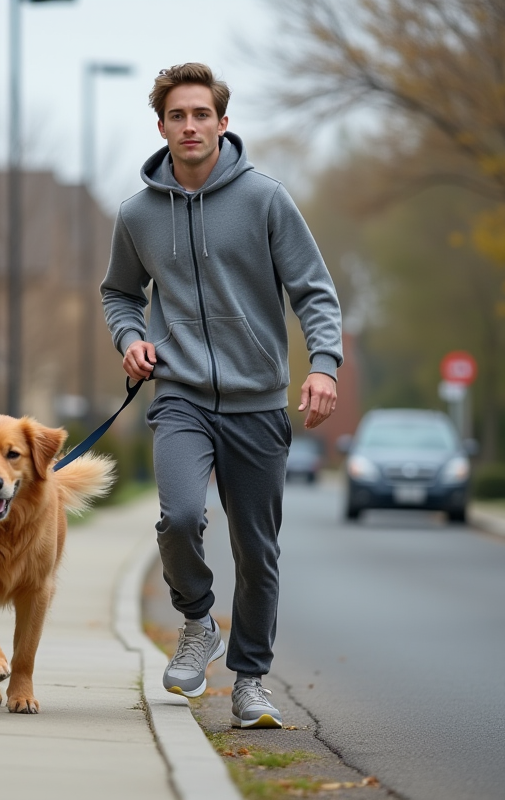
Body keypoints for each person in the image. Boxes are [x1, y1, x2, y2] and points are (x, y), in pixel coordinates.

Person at [100, 63, 342, 729]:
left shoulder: (265, 200)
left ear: (222, 123)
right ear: (162, 127)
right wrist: (129, 338)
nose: (190, 126)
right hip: (179, 395)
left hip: (258, 401)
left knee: (257, 552)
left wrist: (323, 364)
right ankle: (198, 620)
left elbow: (313, 291)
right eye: (177, 116)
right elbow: (119, 292)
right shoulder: (137, 214)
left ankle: (251, 682)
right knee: (179, 518)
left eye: (201, 114)